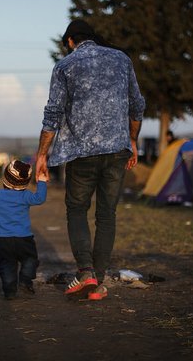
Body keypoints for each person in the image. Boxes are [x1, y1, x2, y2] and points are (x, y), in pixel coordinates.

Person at [35, 19, 146, 301]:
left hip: (81, 154)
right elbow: (137, 105)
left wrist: (41, 155)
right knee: (107, 214)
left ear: (71, 41)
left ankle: (86, 273)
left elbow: (53, 114)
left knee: (76, 210)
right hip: (116, 150)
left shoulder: (65, 66)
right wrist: (132, 141)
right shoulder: (121, 59)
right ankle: (98, 282)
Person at [0, 160, 47, 300]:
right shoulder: (25, 196)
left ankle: (9, 290)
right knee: (30, 259)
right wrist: (42, 181)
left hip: (4, 240)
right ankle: (25, 279)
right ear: (25, 182)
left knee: (7, 264)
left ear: (5, 179)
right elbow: (40, 198)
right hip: (24, 238)